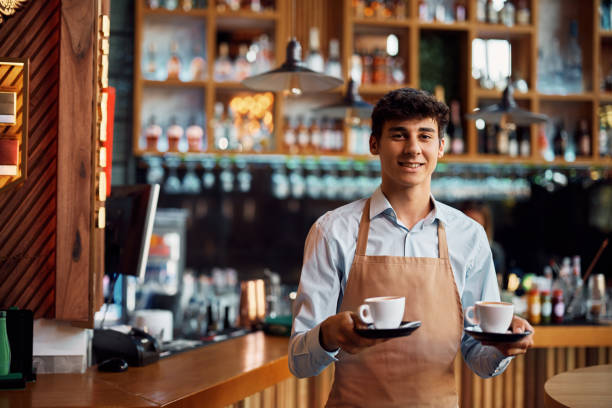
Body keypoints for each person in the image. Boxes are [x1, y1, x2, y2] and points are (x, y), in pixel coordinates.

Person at [288, 88, 534, 407]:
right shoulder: (331, 231)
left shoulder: (469, 236)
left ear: (441, 147)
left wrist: (504, 347)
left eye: (425, 136)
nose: (413, 148)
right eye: (399, 135)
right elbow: (299, 360)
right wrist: (327, 335)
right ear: (374, 144)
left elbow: (479, 358)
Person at [461, 201, 507, 289]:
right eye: (467, 222)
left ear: (485, 226)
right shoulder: (450, 249)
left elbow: (497, 284)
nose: (470, 228)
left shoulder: (494, 251)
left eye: (476, 223)